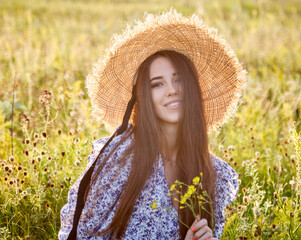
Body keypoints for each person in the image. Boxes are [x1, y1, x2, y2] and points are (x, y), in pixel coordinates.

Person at [59, 8, 247, 240]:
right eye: (157, 84)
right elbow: (85, 236)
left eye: (178, 80)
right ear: (143, 97)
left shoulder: (211, 173)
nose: (171, 90)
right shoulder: (121, 159)